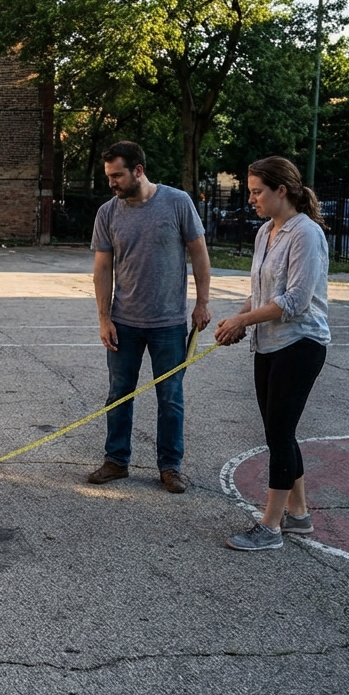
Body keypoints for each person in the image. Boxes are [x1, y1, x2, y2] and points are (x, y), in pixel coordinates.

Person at [215, 156, 330, 551]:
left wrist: (243, 322)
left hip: (301, 344)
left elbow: (295, 301)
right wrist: (239, 317)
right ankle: (299, 516)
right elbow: (263, 293)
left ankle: (271, 526)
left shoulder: (306, 234)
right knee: (279, 432)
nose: (251, 199)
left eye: (257, 191)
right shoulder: (266, 232)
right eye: (250, 191)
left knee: (279, 433)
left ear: (282, 190)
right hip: (268, 343)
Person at [88, 142, 212, 493]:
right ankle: (116, 461)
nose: (111, 183)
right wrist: (103, 318)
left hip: (169, 324)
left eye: (117, 175)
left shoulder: (177, 203)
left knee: (170, 396)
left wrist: (202, 303)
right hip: (124, 322)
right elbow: (102, 269)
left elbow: (199, 253)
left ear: (138, 171)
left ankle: (170, 467)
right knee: (119, 393)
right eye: (108, 176)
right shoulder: (107, 213)